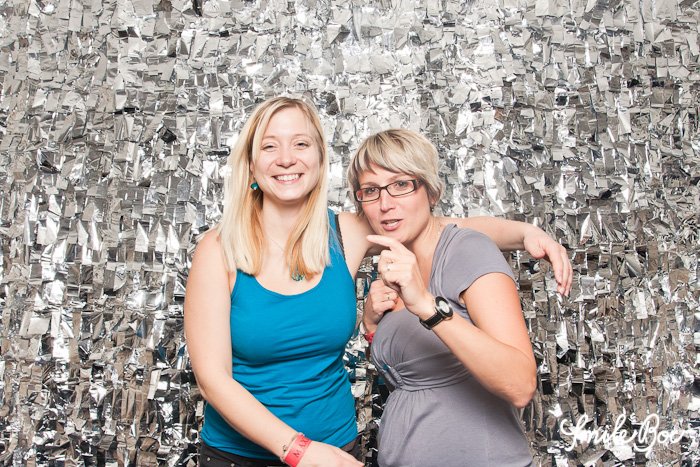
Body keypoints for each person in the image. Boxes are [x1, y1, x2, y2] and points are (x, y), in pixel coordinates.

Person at [184, 97, 570, 467]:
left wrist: (524, 233)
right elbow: (212, 378)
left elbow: (438, 225)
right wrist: (298, 451)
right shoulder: (218, 250)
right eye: (270, 146)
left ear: (319, 159)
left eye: (300, 143)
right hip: (240, 456)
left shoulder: (344, 234)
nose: (287, 158)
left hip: (336, 450)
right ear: (251, 164)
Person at [348, 129, 539, 467]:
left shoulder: (467, 250)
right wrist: (372, 326)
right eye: (371, 190)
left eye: (401, 184)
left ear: (432, 191)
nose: (386, 204)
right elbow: (416, 370)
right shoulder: (396, 262)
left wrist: (426, 305)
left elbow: (520, 384)